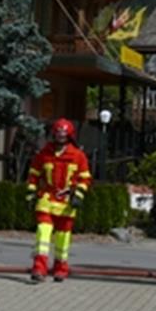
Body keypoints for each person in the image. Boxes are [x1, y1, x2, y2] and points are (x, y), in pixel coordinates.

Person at [26, 118, 91, 282]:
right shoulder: (44, 154)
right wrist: (31, 194)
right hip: (47, 199)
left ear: (69, 136)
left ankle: (61, 268)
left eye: (63, 135)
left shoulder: (78, 156)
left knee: (63, 238)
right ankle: (39, 268)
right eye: (57, 135)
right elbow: (33, 175)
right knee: (43, 233)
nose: (60, 138)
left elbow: (85, 179)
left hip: (66, 202)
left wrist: (78, 195)